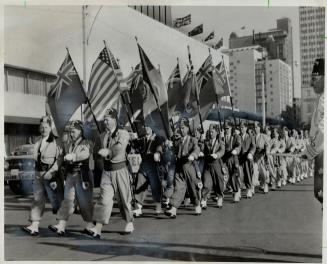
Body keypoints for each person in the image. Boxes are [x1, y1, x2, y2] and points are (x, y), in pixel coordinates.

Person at [87, 108, 133, 238]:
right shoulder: (102, 136)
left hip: (120, 170)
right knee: (104, 199)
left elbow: (119, 147)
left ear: (115, 120)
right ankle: (98, 227)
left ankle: (129, 221)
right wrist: (96, 151)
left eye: (108, 119)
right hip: (107, 172)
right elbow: (96, 152)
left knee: (124, 198)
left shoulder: (123, 134)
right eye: (104, 120)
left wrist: (108, 152)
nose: (105, 122)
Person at [48, 120, 94, 236]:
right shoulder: (68, 144)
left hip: (83, 175)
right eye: (70, 132)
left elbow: (86, 154)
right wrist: (53, 169)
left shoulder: (86, 143)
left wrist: (75, 156)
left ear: (80, 131)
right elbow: (61, 158)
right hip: (70, 175)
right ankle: (61, 225)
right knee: (67, 200)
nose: (71, 134)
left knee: (84, 202)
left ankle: (90, 225)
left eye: (73, 132)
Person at [22, 116, 64, 236]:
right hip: (38, 174)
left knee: (57, 200)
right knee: (37, 199)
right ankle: (34, 225)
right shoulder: (37, 140)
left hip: (51, 174)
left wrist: (53, 171)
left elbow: (60, 159)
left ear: (51, 127)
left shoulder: (57, 141)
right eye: (41, 127)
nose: (43, 129)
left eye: (46, 127)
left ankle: (61, 225)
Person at [164, 118, 201, 218]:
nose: (181, 129)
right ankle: (173, 209)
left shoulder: (193, 140)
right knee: (179, 187)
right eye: (180, 128)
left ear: (188, 128)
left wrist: (193, 155)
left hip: (189, 166)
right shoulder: (178, 140)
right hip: (180, 166)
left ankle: (197, 204)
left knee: (193, 187)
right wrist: (169, 145)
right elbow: (174, 150)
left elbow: (197, 148)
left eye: (183, 127)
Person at [302, 58, 324, 205]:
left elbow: (323, 132)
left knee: (321, 192)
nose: (311, 83)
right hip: (320, 154)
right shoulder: (320, 99)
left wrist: (309, 152)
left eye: (314, 79)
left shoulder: (324, 100)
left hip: (323, 154)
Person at [132, 126, 165, 216]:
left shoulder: (157, 138)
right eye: (145, 126)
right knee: (139, 184)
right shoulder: (142, 138)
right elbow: (135, 147)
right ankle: (138, 207)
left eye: (148, 126)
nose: (146, 128)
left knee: (155, 186)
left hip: (153, 165)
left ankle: (158, 205)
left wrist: (158, 153)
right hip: (143, 165)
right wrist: (134, 139)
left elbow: (159, 146)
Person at [201, 124, 227, 208]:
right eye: (209, 131)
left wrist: (217, 154)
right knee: (206, 183)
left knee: (218, 182)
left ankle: (219, 197)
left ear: (216, 132)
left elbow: (222, 150)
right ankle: (204, 199)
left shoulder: (220, 142)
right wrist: (201, 141)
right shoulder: (206, 142)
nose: (210, 133)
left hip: (217, 164)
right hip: (208, 165)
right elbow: (202, 149)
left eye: (212, 132)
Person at [223, 121, 242, 202]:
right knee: (224, 175)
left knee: (233, 175)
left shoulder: (236, 136)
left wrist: (236, 150)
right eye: (224, 128)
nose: (226, 130)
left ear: (231, 128)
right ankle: (220, 193)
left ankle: (236, 191)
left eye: (227, 128)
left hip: (233, 158)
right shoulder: (222, 136)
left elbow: (238, 144)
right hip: (224, 159)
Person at [239, 121, 256, 198]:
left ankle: (249, 188)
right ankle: (238, 189)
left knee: (248, 173)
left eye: (242, 127)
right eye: (240, 127)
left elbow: (253, 146)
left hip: (247, 157)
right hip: (239, 158)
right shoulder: (237, 136)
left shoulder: (249, 136)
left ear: (246, 128)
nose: (241, 129)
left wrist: (251, 153)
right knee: (238, 173)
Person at [252, 121, 269, 194]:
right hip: (254, 157)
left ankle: (265, 184)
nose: (255, 128)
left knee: (263, 173)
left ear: (259, 127)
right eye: (254, 127)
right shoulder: (252, 136)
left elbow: (267, 145)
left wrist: (267, 151)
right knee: (254, 172)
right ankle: (252, 187)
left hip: (262, 156)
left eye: (256, 127)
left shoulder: (264, 136)